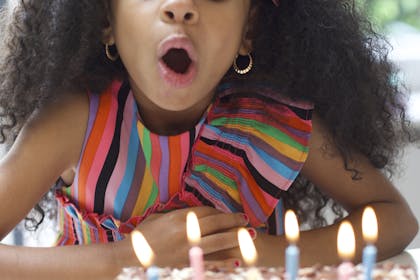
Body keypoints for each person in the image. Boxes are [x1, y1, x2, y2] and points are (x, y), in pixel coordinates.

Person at [0, 0, 418, 279]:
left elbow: (396, 219)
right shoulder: (74, 121)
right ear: (106, 20)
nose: (181, 7)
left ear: (248, 28)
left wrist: (258, 254)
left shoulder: (272, 120)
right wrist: (123, 258)